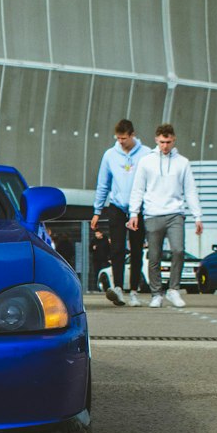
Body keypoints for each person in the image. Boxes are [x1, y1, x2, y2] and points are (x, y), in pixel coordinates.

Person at [126, 122, 203, 308]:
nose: (165, 146)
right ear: (156, 140)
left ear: (173, 140)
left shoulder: (183, 162)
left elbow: (190, 190)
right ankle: (156, 293)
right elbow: (138, 188)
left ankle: (173, 289)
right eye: (161, 142)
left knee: (178, 250)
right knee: (154, 256)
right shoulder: (146, 161)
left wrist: (197, 215)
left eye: (168, 142)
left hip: (175, 212)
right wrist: (134, 213)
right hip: (152, 213)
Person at [90, 118, 151, 306]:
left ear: (132, 135)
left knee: (136, 249)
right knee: (116, 248)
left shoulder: (146, 154)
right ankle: (118, 288)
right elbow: (103, 184)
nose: (121, 142)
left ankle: (133, 290)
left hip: (138, 208)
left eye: (124, 138)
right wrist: (97, 210)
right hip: (117, 205)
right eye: (118, 138)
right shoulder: (110, 155)